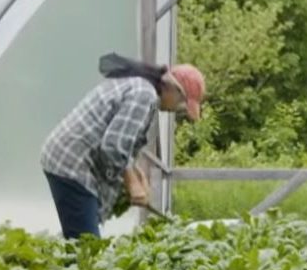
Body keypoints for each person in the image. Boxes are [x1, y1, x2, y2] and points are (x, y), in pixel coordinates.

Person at [40, 55, 206, 239]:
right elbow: (113, 147)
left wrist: (136, 174)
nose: (178, 109)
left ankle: (50, 260)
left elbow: (122, 142)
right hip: (71, 162)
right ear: (173, 88)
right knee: (86, 245)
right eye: (182, 103)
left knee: (79, 235)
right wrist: (132, 184)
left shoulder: (141, 86)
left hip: (68, 157)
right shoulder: (145, 95)